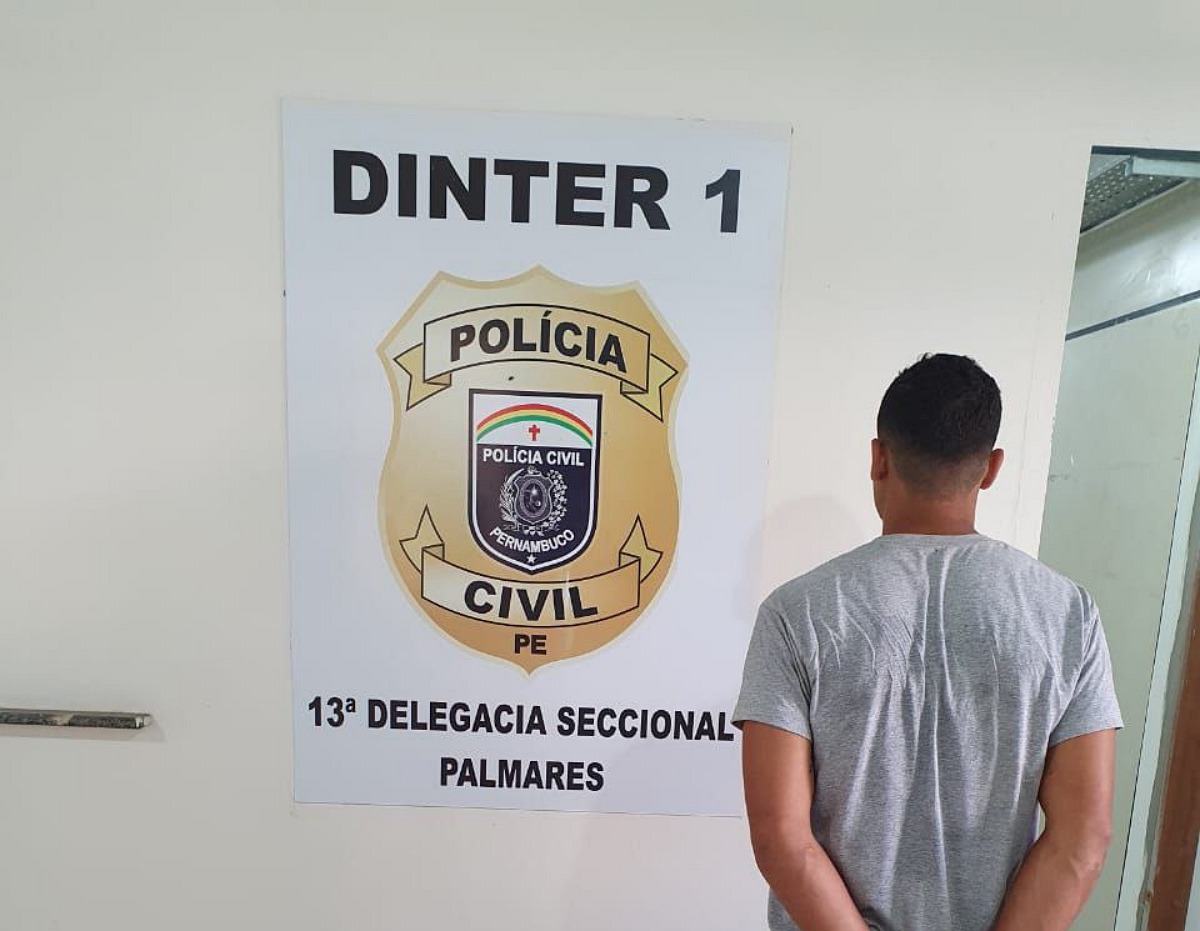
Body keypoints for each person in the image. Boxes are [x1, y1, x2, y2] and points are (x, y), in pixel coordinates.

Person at [734, 353, 1123, 931]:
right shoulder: (1067, 613)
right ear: (991, 468)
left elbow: (781, 838)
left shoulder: (796, 612)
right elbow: (1083, 838)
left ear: (878, 458)